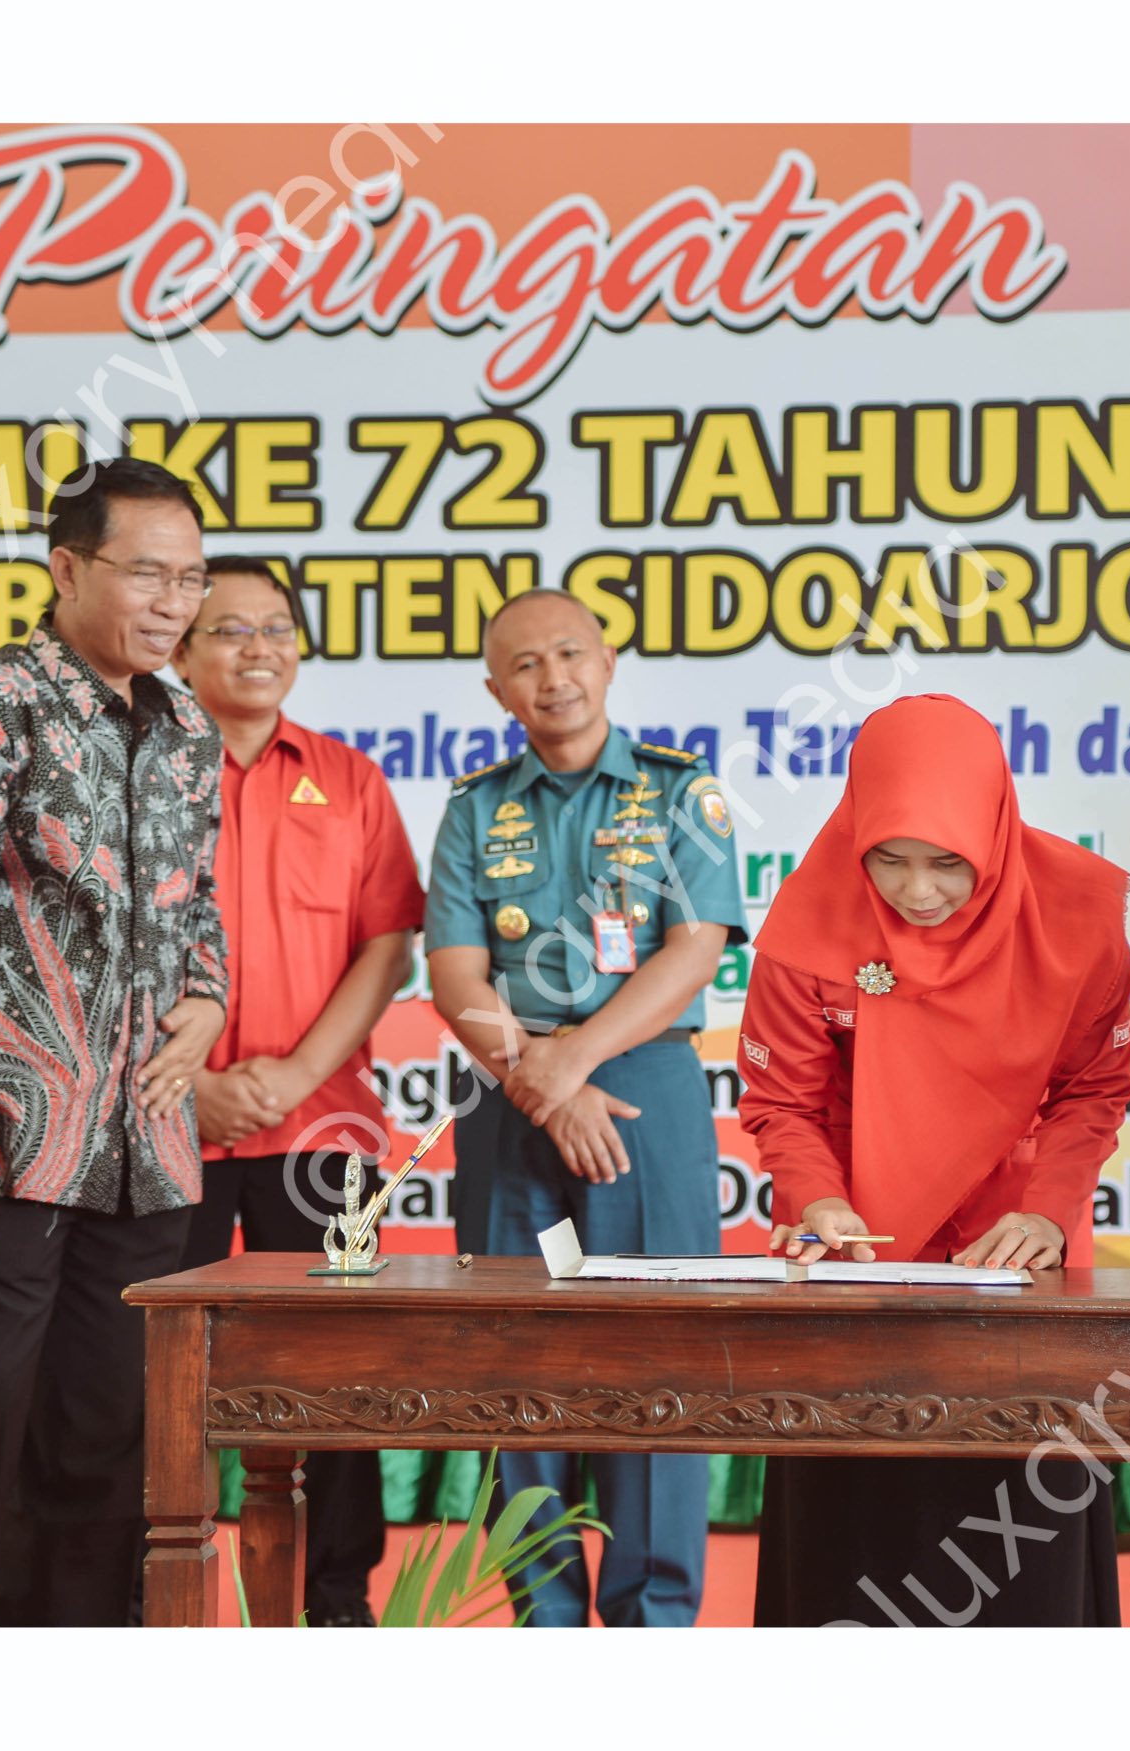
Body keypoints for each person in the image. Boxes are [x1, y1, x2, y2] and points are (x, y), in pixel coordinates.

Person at [0, 458, 230, 1627]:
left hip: (146, 1156)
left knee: (103, 1465)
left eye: (191, 578)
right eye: (147, 572)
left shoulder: (189, 725)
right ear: (66, 568)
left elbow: (198, 901)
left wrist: (209, 998)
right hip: (7, 1147)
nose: (173, 601)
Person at [739, 692, 1130, 1627]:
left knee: (1014, 1530)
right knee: (850, 1521)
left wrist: (1047, 1212)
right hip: (856, 1249)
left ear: (991, 830)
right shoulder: (810, 918)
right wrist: (817, 1201)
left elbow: (1093, 1087)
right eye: (889, 858)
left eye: (947, 862)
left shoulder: (1075, 912)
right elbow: (782, 1102)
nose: (916, 892)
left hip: (1014, 1246)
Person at [424, 589, 745, 1626]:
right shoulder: (474, 808)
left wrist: (572, 1062)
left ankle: (654, 1619)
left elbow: (693, 947)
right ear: (496, 689)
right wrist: (538, 1074)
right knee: (516, 1355)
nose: (551, 677)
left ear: (608, 662)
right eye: (524, 663)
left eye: (569, 653)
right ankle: (545, 1620)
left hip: (644, 1084)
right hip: (508, 1091)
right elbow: (454, 970)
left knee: (657, 1351)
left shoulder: (679, 792)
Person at [171, 555, 425, 1628]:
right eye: (231, 629)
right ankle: (148, 1597)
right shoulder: (135, 772)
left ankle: (335, 1603)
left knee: (338, 1372)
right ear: (179, 649)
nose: (259, 648)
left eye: (276, 627)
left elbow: (387, 944)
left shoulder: (348, 778)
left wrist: (292, 1077)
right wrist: (187, 1086)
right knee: (148, 1371)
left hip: (320, 1126)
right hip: (160, 1123)